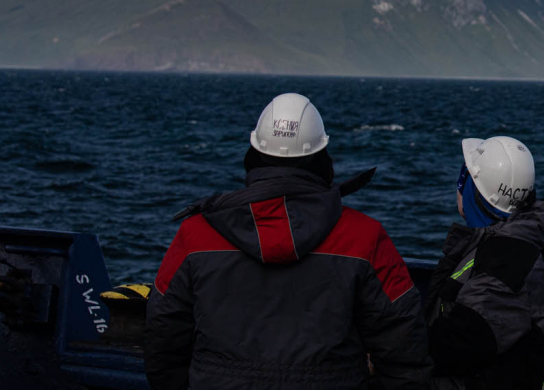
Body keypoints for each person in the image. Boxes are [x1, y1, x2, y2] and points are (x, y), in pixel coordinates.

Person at [144, 93, 432, 390]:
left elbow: (163, 335)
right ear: (323, 158)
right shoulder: (365, 237)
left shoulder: (196, 235)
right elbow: (403, 347)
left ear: (253, 155)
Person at [424, 136, 544, 390]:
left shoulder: (507, 259)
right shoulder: (501, 244)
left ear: (473, 191)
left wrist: (390, 352)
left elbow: (464, 341)